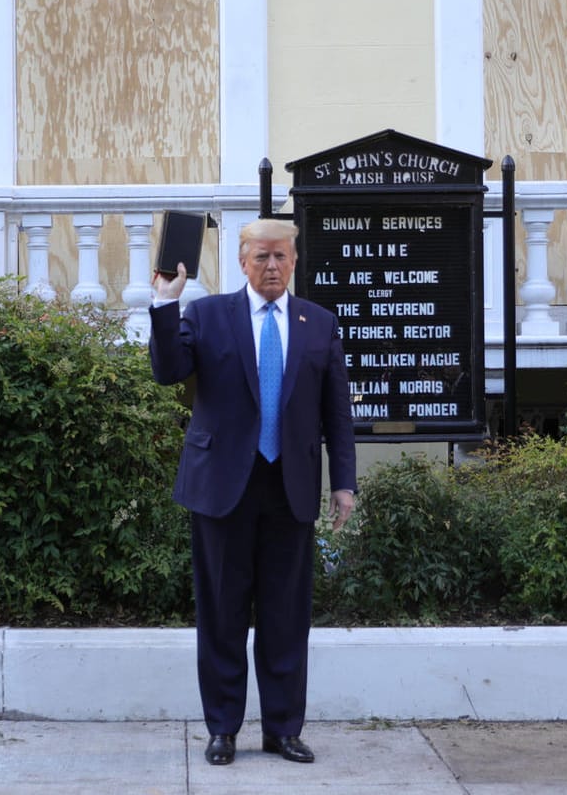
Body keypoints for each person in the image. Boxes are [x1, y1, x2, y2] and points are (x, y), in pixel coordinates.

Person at [149, 217, 356, 766]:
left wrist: (345, 484)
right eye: (261, 257)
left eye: (281, 257)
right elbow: (168, 371)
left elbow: (337, 411)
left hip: (289, 486)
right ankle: (222, 728)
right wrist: (165, 305)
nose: (271, 266)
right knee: (221, 612)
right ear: (242, 260)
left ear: (294, 261)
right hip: (222, 487)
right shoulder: (208, 314)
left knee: (287, 614)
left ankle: (284, 729)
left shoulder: (319, 323)